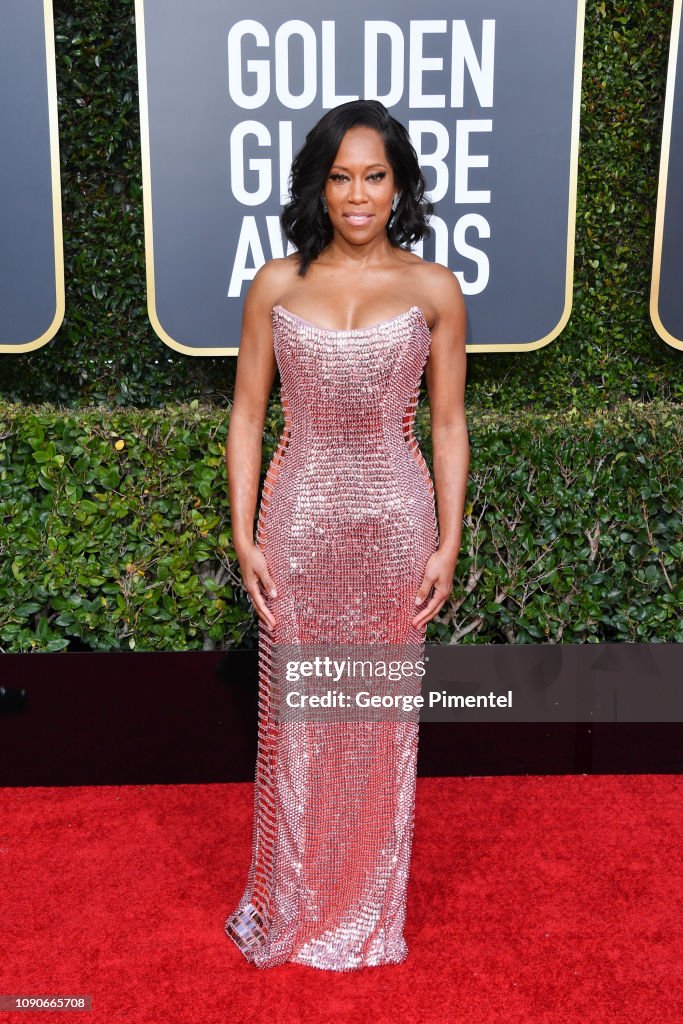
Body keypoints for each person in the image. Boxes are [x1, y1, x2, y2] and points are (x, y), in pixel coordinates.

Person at [224, 99, 469, 971]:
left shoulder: (434, 289)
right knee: (301, 718)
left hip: (394, 526)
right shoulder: (276, 285)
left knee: (376, 721)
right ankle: (293, 897)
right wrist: (246, 533)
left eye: (373, 176)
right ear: (317, 186)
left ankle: (366, 909)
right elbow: (248, 416)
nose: (356, 195)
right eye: (339, 177)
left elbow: (445, 425)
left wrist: (446, 540)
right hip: (299, 524)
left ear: (397, 183)